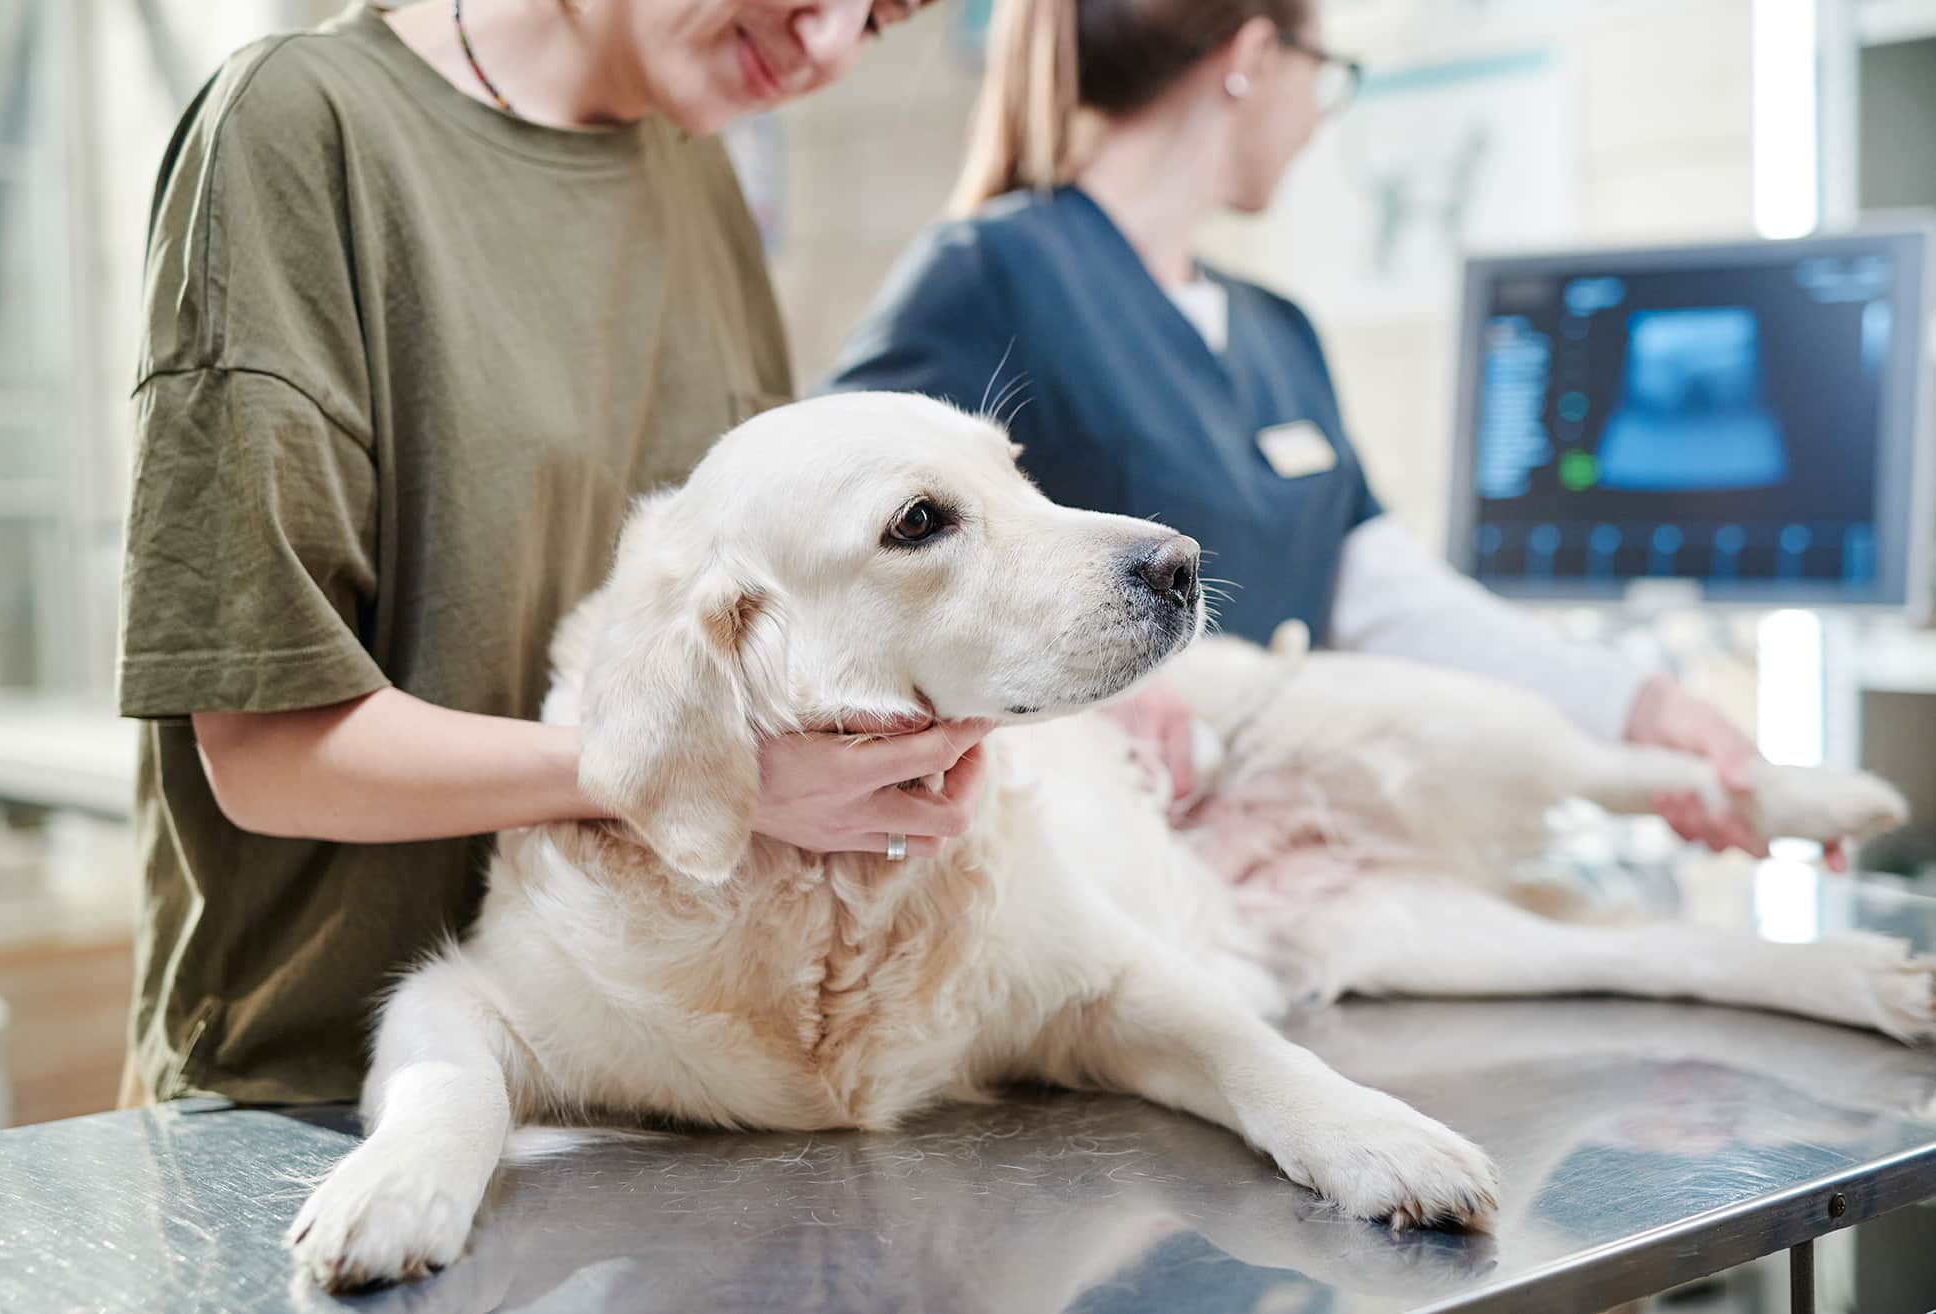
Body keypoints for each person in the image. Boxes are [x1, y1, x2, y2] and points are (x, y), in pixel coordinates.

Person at [116, 0, 991, 1108]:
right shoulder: (301, 130)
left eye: (877, 23)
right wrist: (676, 771)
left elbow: (744, 650)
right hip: (308, 1096)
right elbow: (266, 752)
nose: (824, 49)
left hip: (637, 1078)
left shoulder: (697, 173)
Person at [823, 0, 1799, 864]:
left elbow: (1386, 599)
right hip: (1090, 877)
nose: (1316, 122)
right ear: (1252, 57)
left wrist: (1644, 709)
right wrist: (1089, 691)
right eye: (1326, 79)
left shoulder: (1276, 329)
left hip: (1277, 860)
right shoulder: (989, 273)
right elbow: (832, 575)